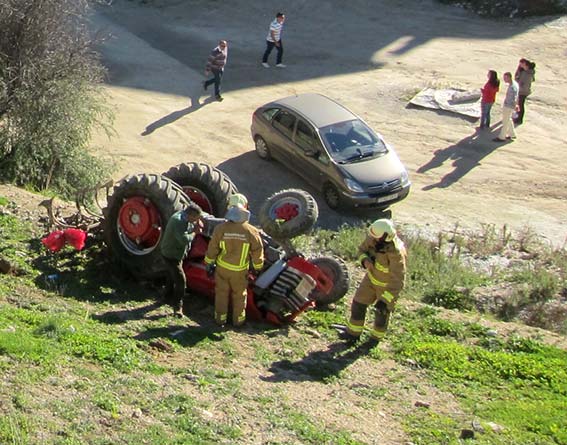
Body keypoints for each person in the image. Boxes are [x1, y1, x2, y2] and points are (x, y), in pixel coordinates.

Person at [341, 219, 407, 343]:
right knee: (358, 303)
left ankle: (375, 340)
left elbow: (398, 281)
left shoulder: (396, 253)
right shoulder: (374, 238)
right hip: (371, 280)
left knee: (382, 312)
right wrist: (365, 260)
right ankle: (353, 334)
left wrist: (386, 300)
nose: (373, 239)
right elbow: (361, 250)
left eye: (376, 237)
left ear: (385, 237)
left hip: (386, 287)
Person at [204, 194, 264, 327]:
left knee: (221, 294)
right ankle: (238, 322)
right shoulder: (251, 231)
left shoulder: (221, 228)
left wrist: (208, 264)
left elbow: (212, 248)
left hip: (222, 269)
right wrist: (258, 267)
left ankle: (220, 320)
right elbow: (258, 251)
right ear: (245, 208)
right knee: (239, 296)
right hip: (239, 271)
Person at [160, 203, 203, 317]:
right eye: (196, 218)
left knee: (171, 276)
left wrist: (196, 223)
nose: (196, 221)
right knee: (181, 281)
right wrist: (195, 232)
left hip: (177, 253)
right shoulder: (178, 221)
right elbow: (183, 239)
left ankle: (165, 297)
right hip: (171, 255)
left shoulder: (185, 217)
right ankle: (177, 307)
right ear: (190, 215)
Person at [493, 72, 519, 142]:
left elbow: (514, 97)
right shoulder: (515, 84)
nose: (504, 79)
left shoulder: (512, 87)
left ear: (509, 77)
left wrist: (515, 105)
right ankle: (512, 134)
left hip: (508, 106)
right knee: (508, 119)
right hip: (509, 105)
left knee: (505, 122)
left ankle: (502, 137)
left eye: (505, 78)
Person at [514, 58, 536, 125]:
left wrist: (521, 84)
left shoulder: (529, 72)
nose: (520, 65)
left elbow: (531, 80)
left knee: (521, 105)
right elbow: (516, 77)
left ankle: (519, 119)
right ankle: (517, 117)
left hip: (524, 91)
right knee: (518, 104)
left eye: (521, 64)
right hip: (520, 89)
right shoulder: (522, 71)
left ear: (525, 64)